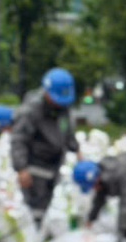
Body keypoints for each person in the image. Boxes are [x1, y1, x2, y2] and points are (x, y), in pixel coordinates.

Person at [12, 68, 78, 228]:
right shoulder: (31, 111)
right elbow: (19, 140)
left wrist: (76, 150)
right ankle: (32, 235)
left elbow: (67, 132)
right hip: (35, 165)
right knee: (35, 205)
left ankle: (40, 233)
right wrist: (21, 168)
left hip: (55, 164)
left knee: (48, 204)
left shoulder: (64, 109)